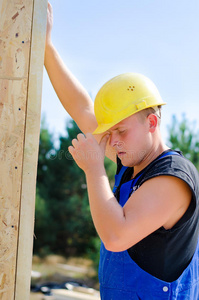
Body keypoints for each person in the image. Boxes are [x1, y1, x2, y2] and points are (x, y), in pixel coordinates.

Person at [45, 3, 199, 299]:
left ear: (151, 122)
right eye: (109, 130)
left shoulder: (172, 180)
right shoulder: (133, 159)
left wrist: (93, 170)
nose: (111, 140)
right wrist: (47, 48)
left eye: (121, 131)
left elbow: (116, 236)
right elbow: (82, 107)